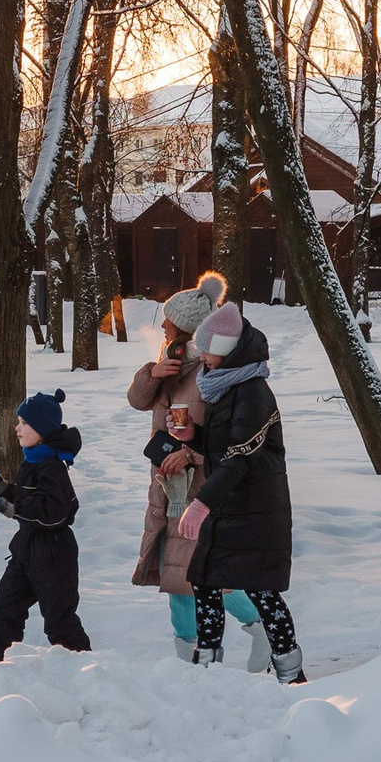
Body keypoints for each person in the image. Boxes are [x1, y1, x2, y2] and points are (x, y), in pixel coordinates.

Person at [128, 275, 268, 668]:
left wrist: (191, 452)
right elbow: (137, 401)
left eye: (168, 321)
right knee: (178, 573)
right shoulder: (168, 361)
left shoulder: (208, 370)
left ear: (187, 327)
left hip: (197, 486)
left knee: (199, 571)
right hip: (167, 482)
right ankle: (188, 659)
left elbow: (221, 434)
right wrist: (152, 374)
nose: (162, 326)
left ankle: (258, 630)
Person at [178, 300, 305, 682]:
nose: (201, 355)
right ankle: (207, 669)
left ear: (226, 351)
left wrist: (200, 504)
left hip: (255, 510)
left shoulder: (253, 391)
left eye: (207, 349)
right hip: (231, 507)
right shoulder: (225, 385)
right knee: (204, 580)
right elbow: (226, 447)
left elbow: (241, 457)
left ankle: (290, 672)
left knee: (261, 589)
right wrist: (194, 437)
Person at [0, 389, 92, 663]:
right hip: (26, 550)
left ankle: (87, 675)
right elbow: (25, 498)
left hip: (54, 554)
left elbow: (53, 512)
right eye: (19, 422)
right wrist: (1, 488)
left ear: (42, 429)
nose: (17, 428)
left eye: (24, 423)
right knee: (4, 609)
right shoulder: (33, 459)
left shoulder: (52, 467)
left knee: (59, 621)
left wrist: (12, 509)